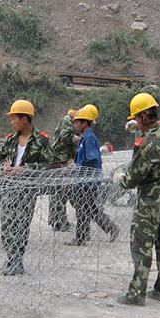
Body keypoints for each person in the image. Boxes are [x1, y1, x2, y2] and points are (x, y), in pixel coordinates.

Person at [113, 93, 160, 305]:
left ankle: (136, 293)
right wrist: (138, 134)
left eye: (136, 118)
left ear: (141, 116)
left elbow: (132, 179)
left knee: (141, 246)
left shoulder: (150, 143)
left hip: (150, 203)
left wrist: (119, 177)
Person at [0, 99, 51, 275]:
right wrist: (4, 166)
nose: (11, 122)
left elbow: (48, 164)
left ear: (25, 119)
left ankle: (17, 262)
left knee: (21, 226)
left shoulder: (41, 140)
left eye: (14, 118)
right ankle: (10, 258)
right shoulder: (10, 140)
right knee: (6, 225)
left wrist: (26, 169)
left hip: (26, 190)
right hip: (9, 187)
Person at [67, 105, 119, 246]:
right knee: (86, 208)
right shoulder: (85, 137)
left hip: (87, 181)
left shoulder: (88, 137)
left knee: (85, 208)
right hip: (84, 180)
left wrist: (77, 166)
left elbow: (92, 158)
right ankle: (87, 235)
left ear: (85, 123)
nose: (75, 124)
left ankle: (87, 235)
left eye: (77, 121)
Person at [48, 108, 78, 232]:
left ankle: (57, 222)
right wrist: (78, 139)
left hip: (62, 160)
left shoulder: (68, 122)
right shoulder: (66, 120)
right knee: (60, 192)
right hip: (59, 160)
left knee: (58, 192)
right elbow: (65, 137)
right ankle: (59, 222)